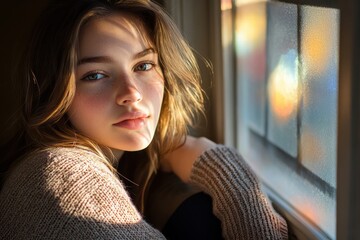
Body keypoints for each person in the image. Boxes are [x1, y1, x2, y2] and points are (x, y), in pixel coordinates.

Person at [0, 0, 288, 239]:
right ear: (54, 90)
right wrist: (227, 174)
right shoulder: (65, 175)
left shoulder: (50, 167)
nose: (131, 93)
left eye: (144, 65)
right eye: (96, 75)